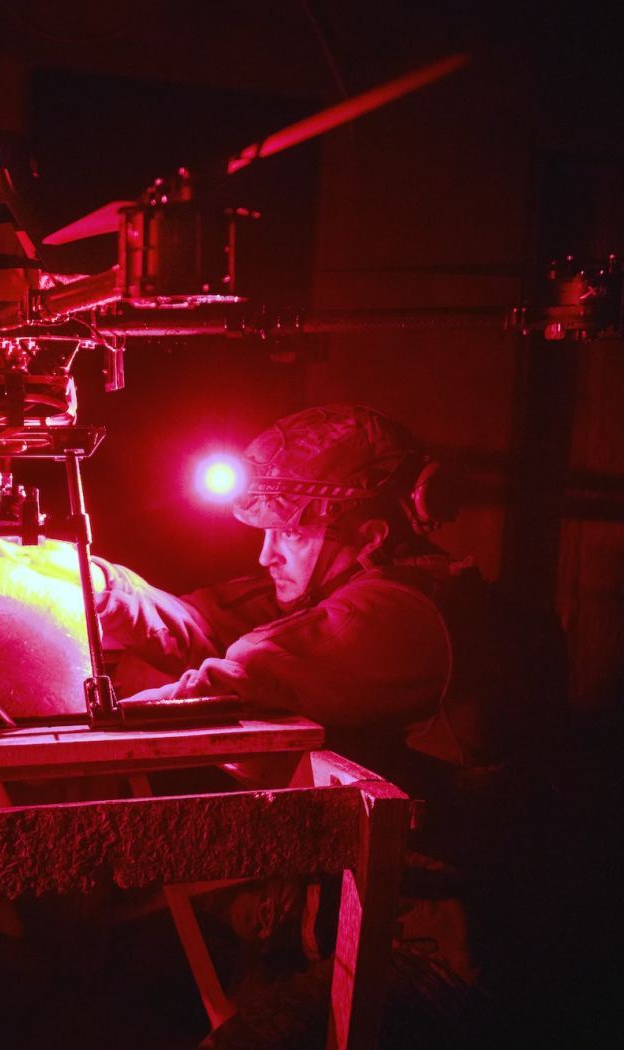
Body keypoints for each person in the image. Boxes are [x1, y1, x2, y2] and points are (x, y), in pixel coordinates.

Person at [94, 404, 566, 1045]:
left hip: (437, 954)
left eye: (288, 533)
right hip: (360, 913)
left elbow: (238, 680)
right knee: (155, 953)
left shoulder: (398, 616)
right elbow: (204, 624)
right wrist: (95, 589)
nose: (266, 554)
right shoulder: (353, 588)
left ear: (369, 534)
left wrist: (83, 713)